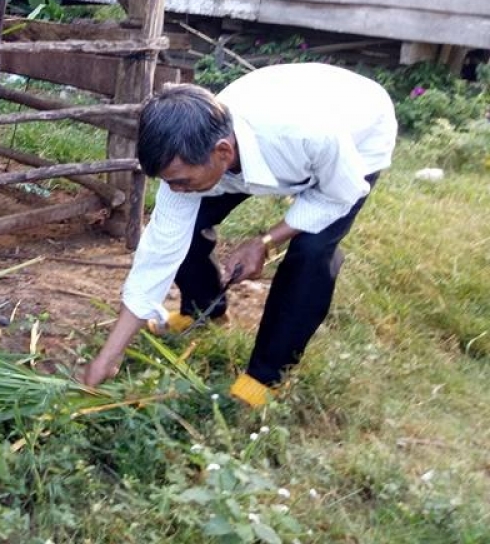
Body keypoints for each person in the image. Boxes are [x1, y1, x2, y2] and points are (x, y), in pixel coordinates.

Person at [81, 63, 397, 407]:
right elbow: (158, 254)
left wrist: (265, 241)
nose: (175, 190)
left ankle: (267, 376)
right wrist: (107, 358)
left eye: (181, 181)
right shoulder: (190, 159)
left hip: (356, 137)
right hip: (280, 115)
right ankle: (204, 310)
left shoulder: (309, 135)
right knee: (183, 228)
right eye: (169, 181)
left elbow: (338, 195)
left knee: (312, 250)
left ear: (223, 152)